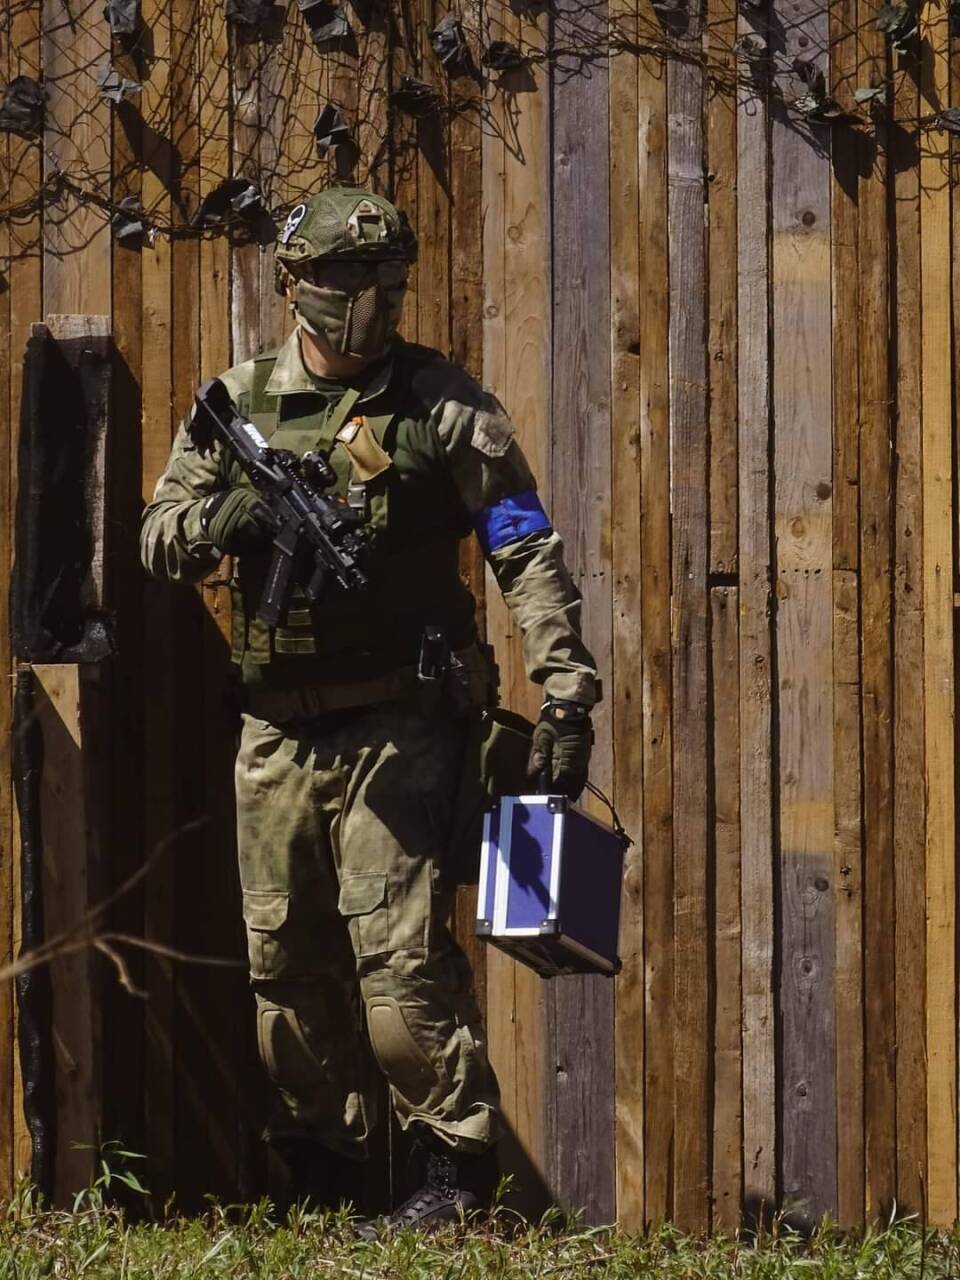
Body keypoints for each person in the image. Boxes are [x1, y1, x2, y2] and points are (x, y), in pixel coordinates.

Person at [139, 186, 600, 1230]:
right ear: (294, 283)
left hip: (404, 720)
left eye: (387, 279)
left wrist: (565, 686)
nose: (367, 298)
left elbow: (523, 545)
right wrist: (228, 515)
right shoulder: (235, 401)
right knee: (284, 962)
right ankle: (324, 1176)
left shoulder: (443, 406)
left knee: (399, 960)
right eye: (346, 276)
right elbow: (158, 534)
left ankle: (453, 1175)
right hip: (275, 730)